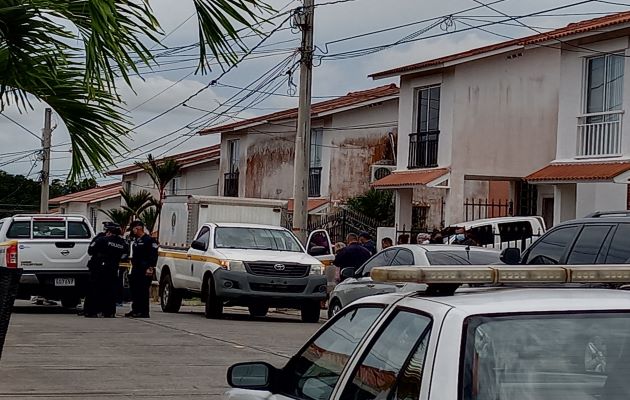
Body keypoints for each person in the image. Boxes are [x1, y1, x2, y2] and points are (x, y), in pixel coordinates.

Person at [85, 224, 127, 318]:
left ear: (109, 232)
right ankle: (109, 312)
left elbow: (91, 250)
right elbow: (125, 255)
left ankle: (92, 312)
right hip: (113, 269)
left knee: (95, 289)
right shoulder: (122, 243)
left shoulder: (102, 239)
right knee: (110, 290)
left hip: (99, 268)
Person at [126, 220, 158, 318]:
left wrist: (150, 267)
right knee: (135, 290)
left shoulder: (149, 240)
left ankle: (143, 312)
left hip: (145, 269)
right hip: (136, 268)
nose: (133, 231)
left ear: (139, 228)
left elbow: (153, 255)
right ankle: (135, 309)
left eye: (134, 229)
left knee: (143, 291)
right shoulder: (136, 240)